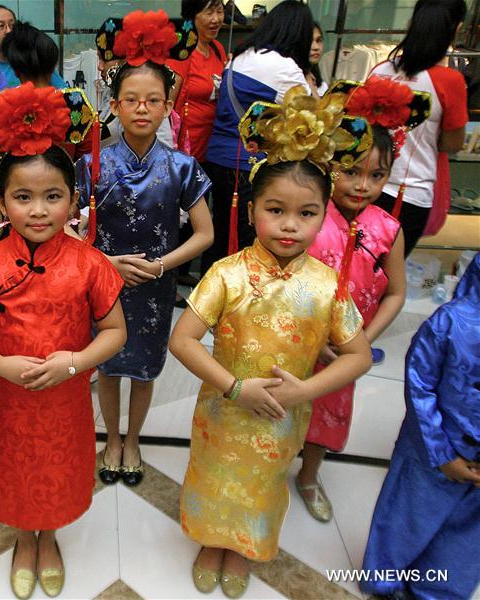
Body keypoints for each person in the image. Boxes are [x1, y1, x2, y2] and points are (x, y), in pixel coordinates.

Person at [170, 86, 373, 597]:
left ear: (326, 213)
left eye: (306, 213)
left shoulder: (328, 285)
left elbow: (359, 355)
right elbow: (184, 340)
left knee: (263, 485)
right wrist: (236, 387)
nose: (289, 225)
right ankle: (211, 541)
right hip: (223, 406)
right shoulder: (227, 273)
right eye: (275, 209)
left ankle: (243, 549)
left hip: (283, 417)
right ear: (251, 206)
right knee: (213, 477)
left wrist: (304, 392)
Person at [0, 84, 126, 599]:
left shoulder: (89, 262)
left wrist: (75, 363)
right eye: (22, 197)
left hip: (65, 396)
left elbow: (116, 332)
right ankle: (21, 538)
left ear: (73, 199)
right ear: (1, 200)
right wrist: (3, 368)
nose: (38, 210)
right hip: (7, 398)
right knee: (13, 467)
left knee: (55, 466)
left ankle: (46, 537)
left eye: (53, 196)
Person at [79, 11, 213, 488]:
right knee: (109, 365)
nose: (141, 108)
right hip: (104, 282)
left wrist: (160, 264)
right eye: (131, 99)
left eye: (152, 100)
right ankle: (110, 437)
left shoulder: (182, 166)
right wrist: (105, 263)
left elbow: (204, 235)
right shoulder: (92, 163)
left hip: (156, 285)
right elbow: (72, 233)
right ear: (114, 104)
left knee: (144, 368)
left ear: (167, 106)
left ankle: (132, 438)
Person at [296, 76, 431, 523]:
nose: (363, 185)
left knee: (329, 413)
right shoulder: (309, 218)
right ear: (329, 164)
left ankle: (310, 475)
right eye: (351, 171)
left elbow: (395, 293)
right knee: (285, 407)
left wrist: (362, 340)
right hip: (297, 341)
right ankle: (271, 467)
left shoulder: (388, 229)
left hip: (346, 349)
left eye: (377, 175)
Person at [360, 254, 480, 600]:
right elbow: (419, 383)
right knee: (406, 518)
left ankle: (437, 591)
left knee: (467, 535)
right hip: (431, 450)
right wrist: (441, 452)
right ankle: (384, 582)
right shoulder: (451, 322)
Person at [200, 0, 318, 277]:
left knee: (219, 232)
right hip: (248, 164)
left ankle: (207, 292)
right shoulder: (285, 68)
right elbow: (312, 120)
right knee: (245, 238)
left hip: (217, 156)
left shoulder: (240, 55)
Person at [371, 0, 468, 256]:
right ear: (456, 29)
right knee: (386, 276)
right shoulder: (450, 80)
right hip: (409, 194)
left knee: (356, 268)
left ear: (411, 25)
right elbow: (452, 144)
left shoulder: (380, 70)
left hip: (365, 185)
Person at [172, 0, 229, 291]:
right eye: (209, 11)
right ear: (192, 15)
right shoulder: (184, 52)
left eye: (220, 11)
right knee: (179, 213)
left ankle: (182, 272)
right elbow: (170, 103)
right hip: (184, 149)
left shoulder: (218, 50)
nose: (216, 18)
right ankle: (171, 274)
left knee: (199, 211)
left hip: (212, 146)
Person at [0, 4, 67, 90]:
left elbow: (65, 93)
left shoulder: (33, 59)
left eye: (12, 25)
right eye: (1, 26)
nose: (8, 31)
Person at [307, 24, 328, 95]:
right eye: (309, 41)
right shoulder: (289, 77)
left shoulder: (322, 86)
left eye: (318, 40)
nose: (316, 47)